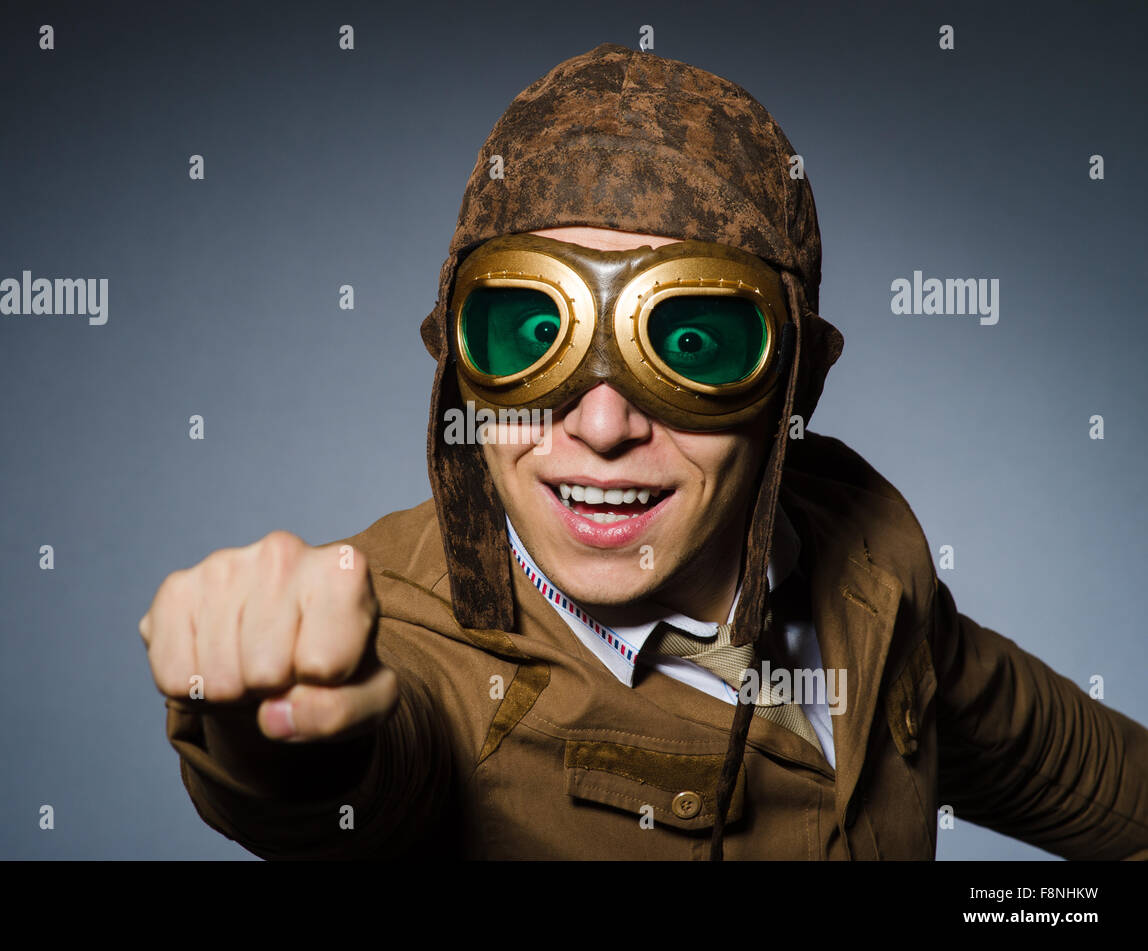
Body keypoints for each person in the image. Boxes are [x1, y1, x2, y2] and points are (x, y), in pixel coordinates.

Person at [139, 42, 1148, 860]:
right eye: (535, 336)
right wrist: (262, 724)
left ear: (794, 380)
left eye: (690, 341)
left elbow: (1099, 789)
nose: (604, 424)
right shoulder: (422, 655)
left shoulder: (867, 559)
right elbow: (338, 784)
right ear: (458, 364)